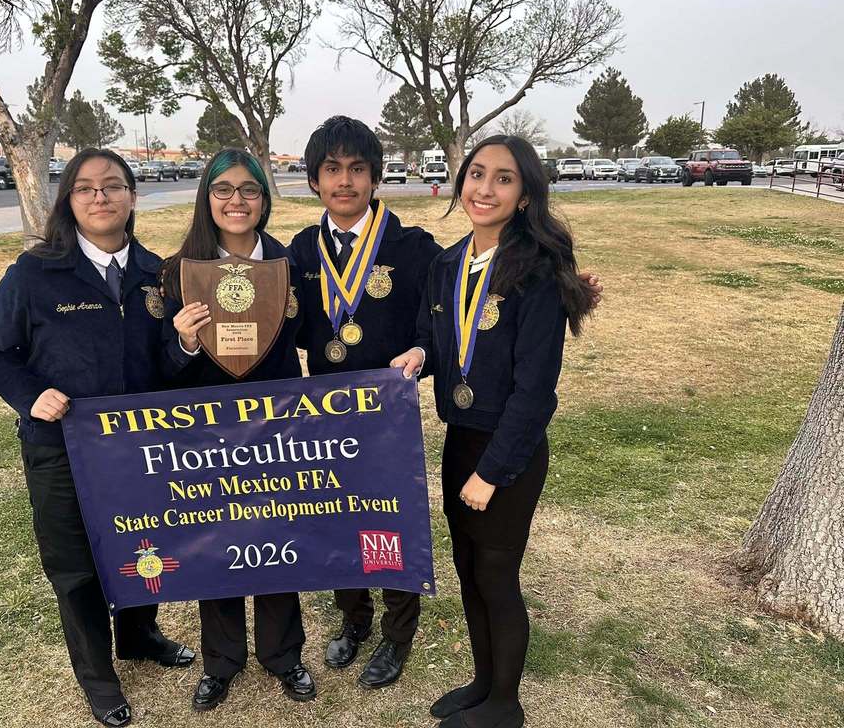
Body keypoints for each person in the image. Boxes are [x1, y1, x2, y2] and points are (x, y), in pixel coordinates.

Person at [0, 149, 194, 728]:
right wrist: (30, 394)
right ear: (69, 200)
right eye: (86, 188)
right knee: (76, 566)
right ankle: (98, 678)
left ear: (132, 197)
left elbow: (163, 366)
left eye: (112, 186)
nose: (100, 197)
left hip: (140, 449)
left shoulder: (157, 273)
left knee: (142, 549)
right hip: (60, 447)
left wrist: (186, 344)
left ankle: (140, 637)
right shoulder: (34, 274)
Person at [391, 135, 595, 728]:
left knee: (497, 575)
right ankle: (483, 681)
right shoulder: (448, 263)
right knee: (467, 566)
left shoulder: (536, 272)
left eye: (503, 179)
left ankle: (506, 704)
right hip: (462, 438)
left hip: (509, 452)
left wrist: (492, 472)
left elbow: (535, 395)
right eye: (476, 173)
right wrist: (418, 355)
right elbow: (441, 339)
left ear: (525, 193)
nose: (484, 188)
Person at [289, 116, 443, 689]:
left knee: (392, 524)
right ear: (313, 181)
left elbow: (444, 322)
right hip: (325, 419)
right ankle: (354, 620)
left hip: (388, 420)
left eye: (357, 169)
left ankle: (398, 634)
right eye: (332, 170)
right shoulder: (301, 252)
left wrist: (422, 354)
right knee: (336, 523)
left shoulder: (413, 248)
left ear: (376, 177)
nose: (345, 181)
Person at [159, 148, 315, 711]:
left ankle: (283, 656)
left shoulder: (293, 264)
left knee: (277, 544)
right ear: (207, 198)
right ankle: (221, 662)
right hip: (206, 435)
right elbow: (160, 366)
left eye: (249, 189)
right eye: (222, 189)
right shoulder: (176, 270)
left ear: (265, 198)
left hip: (276, 428)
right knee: (217, 547)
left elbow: (319, 336)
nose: (236, 200)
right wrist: (183, 342)